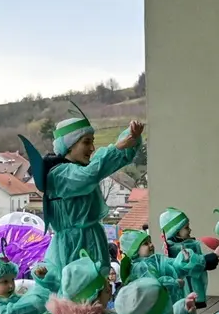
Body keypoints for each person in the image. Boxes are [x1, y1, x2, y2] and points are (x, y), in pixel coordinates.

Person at [24, 113, 142, 287]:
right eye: (86, 142)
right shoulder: (60, 174)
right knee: (79, 294)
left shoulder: (79, 168)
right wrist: (116, 147)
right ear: (69, 145)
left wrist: (130, 138)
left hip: (89, 241)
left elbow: (111, 162)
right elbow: (89, 175)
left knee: (95, 293)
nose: (93, 147)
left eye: (93, 141)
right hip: (74, 246)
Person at [159, 208, 215, 309]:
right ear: (175, 231)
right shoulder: (177, 248)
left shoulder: (187, 243)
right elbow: (191, 263)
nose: (189, 230)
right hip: (185, 288)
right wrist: (212, 257)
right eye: (186, 227)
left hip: (192, 288)